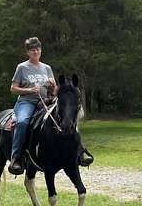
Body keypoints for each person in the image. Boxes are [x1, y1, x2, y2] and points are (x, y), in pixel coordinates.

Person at [8, 37, 93, 175]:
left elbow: (54, 91)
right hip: (27, 102)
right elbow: (13, 88)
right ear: (28, 52)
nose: (35, 52)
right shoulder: (22, 67)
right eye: (32, 50)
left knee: (67, 117)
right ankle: (16, 157)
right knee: (23, 122)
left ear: (40, 51)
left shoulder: (46, 68)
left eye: (38, 49)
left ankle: (80, 151)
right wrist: (29, 90)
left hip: (46, 101)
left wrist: (53, 87)